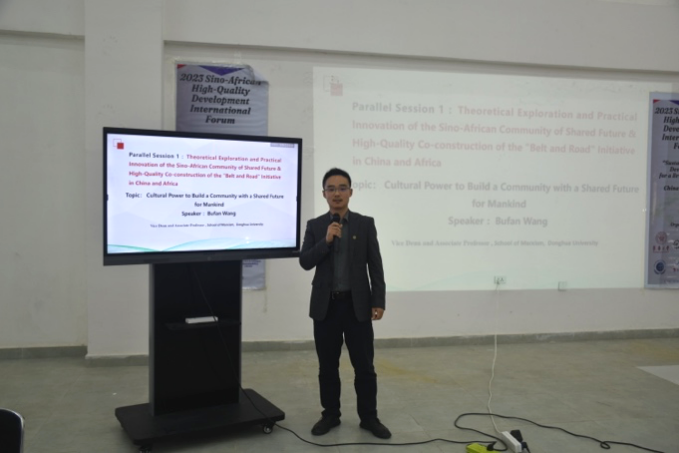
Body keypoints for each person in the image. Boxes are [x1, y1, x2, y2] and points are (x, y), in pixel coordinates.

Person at [299, 167, 391, 439]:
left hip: (357, 307)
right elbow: (305, 261)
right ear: (324, 194)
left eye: (342, 188)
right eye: (331, 189)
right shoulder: (315, 226)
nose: (337, 193)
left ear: (351, 192)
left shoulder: (365, 224)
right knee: (327, 367)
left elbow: (375, 265)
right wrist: (326, 240)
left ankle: (369, 418)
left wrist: (379, 299)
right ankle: (330, 415)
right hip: (325, 308)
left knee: (364, 367)